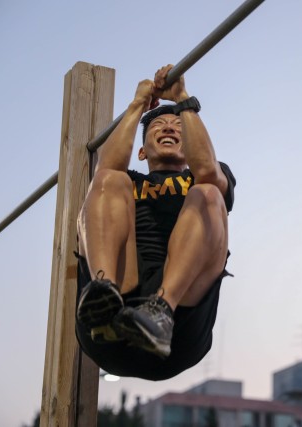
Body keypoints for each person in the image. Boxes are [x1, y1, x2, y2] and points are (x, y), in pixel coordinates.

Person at [74, 64, 235, 381]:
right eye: (158, 125)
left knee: (209, 194)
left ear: (189, 145)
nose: (169, 128)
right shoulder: (127, 180)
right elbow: (106, 166)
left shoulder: (203, 175)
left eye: (177, 126)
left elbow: (206, 171)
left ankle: (161, 311)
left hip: (178, 325)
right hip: (113, 316)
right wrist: (138, 104)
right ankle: (103, 296)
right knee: (107, 180)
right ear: (142, 151)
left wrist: (182, 98)